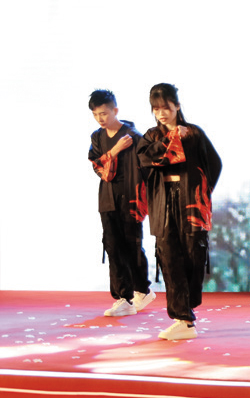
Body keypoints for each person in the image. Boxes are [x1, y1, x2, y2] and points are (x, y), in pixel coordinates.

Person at [137, 83, 222, 341]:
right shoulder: (152, 136)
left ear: (177, 106)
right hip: (163, 202)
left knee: (193, 256)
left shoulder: (194, 133)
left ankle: (186, 313)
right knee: (169, 257)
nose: (161, 113)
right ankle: (182, 318)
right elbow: (145, 159)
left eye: (166, 107)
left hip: (190, 203)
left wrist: (201, 193)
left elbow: (214, 164)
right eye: (156, 109)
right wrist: (173, 138)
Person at [88, 89, 154, 317]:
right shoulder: (97, 137)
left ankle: (142, 289)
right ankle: (124, 298)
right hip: (108, 199)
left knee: (132, 246)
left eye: (104, 113)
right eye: (96, 115)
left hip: (132, 199)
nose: (100, 118)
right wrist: (115, 150)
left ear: (115, 110)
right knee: (113, 247)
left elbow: (148, 171)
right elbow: (99, 168)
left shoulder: (134, 136)